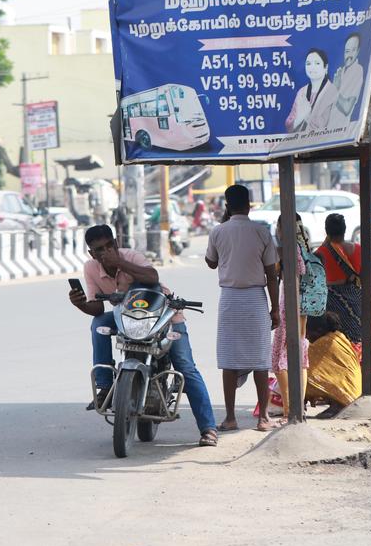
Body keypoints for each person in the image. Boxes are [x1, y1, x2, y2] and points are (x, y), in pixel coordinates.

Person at [69, 225, 219, 447]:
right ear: (92, 254)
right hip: (127, 319)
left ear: (116, 243)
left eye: (110, 245)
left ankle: (208, 428)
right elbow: (97, 309)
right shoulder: (91, 268)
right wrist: (80, 304)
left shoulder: (132, 257)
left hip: (163, 315)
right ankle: (103, 386)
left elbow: (152, 276)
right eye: (100, 250)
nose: (106, 251)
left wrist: (118, 262)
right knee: (99, 323)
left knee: (185, 367)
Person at [206, 184, 280, 432]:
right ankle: (263, 418)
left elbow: (211, 262)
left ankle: (230, 417)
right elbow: (272, 274)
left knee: (229, 360)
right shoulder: (261, 232)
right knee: (261, 361)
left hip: (229, 300)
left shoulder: (218, 231)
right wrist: (275, 308)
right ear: (249, 204)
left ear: (227, 206)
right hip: (255, 299)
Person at [271, 215, 312, 422]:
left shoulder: (290, 248)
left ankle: (290, 409)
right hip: (303, 305)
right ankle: (298, 407)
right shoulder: (304, 245)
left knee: (280, 360)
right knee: (300, 355)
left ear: (281, 227)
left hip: (291, 304)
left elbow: (295, 273)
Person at [315, 213, 368, 352]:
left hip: (332, 305)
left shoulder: (320, 253)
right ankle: (357, 371)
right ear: (345, 229)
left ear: (326, 230)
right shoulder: (358, 249)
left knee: (336, 345)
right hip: (356, 302)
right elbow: (366, 280)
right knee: (356, 342)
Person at [305, 311, 362, 417]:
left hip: (347, 393)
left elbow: (305, 369)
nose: (306, 336)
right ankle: (337, 403)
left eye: (308, 332)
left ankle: (339, 404)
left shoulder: (323, 343)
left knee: (300, 375)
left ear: (319, 330)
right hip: (354, 392)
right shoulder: (339, 337)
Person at [286, 49, 337, 133]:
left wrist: (307, 115)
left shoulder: (332, 91)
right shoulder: (302, 92)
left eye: (317, 63)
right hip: (300, 142)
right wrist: (300, 117)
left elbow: (326, 124)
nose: (312, 67)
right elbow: (288, 124)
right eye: (308, 64)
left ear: (326, 67)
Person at [329, 33, 364, 130]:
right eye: (347, 51)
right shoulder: (341, 71)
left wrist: (335, 89)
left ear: (358, 51)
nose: (349, 55)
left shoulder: (357, 70)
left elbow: (347, 108)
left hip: (340, 131)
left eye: (353, 50)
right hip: (327, 130)